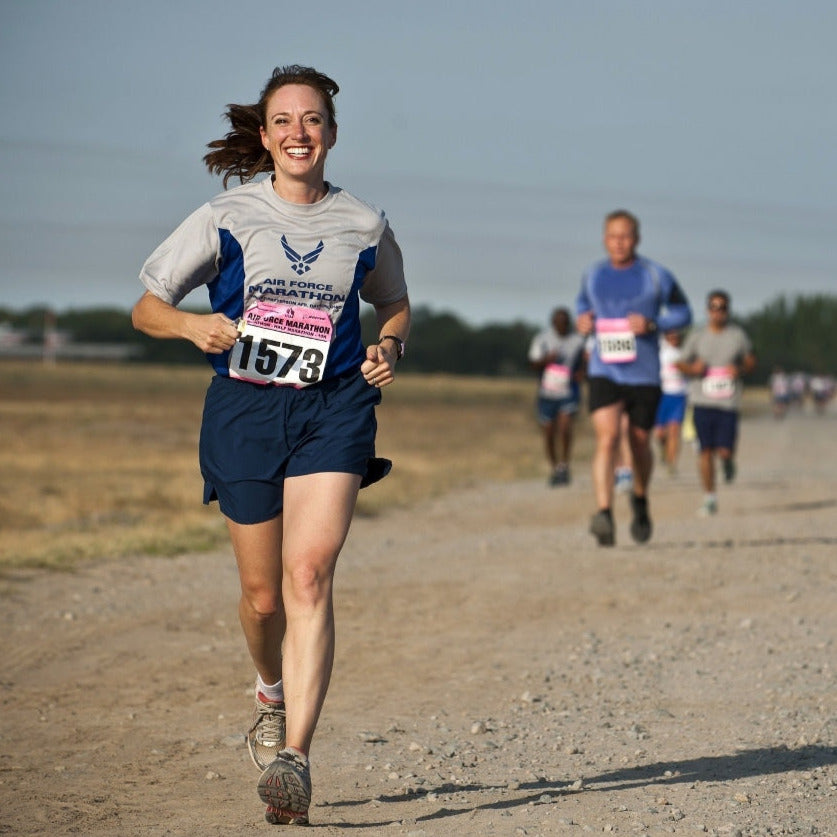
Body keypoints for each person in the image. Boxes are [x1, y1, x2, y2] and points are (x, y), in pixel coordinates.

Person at [131, 65, 410, 826]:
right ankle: (269, 689)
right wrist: (192, 326)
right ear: (264, 135)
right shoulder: (225, 214)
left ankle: (295, 757)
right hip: (245, 410)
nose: (299, 132)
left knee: (309, 574)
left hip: (335, 407)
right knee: (262, 599)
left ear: (332, 132)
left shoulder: (363, 222)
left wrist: (391, 344)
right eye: (284, 120)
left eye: (313, 119)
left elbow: (393, 300)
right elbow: (146, 306)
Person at [576, 210, 692, 546]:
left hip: (643, 374)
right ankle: (604, 514)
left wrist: (654, 324)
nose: (619, 242)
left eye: (625, 236)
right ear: (604, 239)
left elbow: (684, 312)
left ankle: (640, 499)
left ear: (636, 239)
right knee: (608, 438)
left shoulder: (656, 275)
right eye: (613, 236)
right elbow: (581, 307)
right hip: (604, 370)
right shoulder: (593, 274)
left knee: (639, 442)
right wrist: (582, 320)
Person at [677, 290, 755, 516]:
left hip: (728, 403)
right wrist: (693, 369)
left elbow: (751, 360)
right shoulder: (697, 336)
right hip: (702, 400)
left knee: (724, 450)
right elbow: (680, 362)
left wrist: (739, 369)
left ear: (728, 310)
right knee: (705, 450)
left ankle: (728, 461)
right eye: (714, 307)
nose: (718, 312)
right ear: (707, 309)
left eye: (722, 307)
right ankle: (710, 497)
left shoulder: (737, 335)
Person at [527, 307, 586, 485]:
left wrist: (582, 372)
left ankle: (564, 465)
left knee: (565, 427)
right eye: (559, 323)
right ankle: (554, 467)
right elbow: (532, 363)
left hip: (568, 392)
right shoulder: (542, 339)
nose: (562, 326)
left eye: (566, 323)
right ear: (553, 323)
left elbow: (586, 360)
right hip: (547, 393)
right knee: (549, 433)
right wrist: (546, 360)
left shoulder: (577, 340)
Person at [653, 330, 688, 474]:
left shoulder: (685, 352)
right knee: (660, 433)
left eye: (677, 335)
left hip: (679, 395)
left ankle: (672, 463)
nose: (674, 337)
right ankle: (663, 448)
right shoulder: (659, 350)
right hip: (661, 395)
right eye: (671, 335)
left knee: (674, 430)